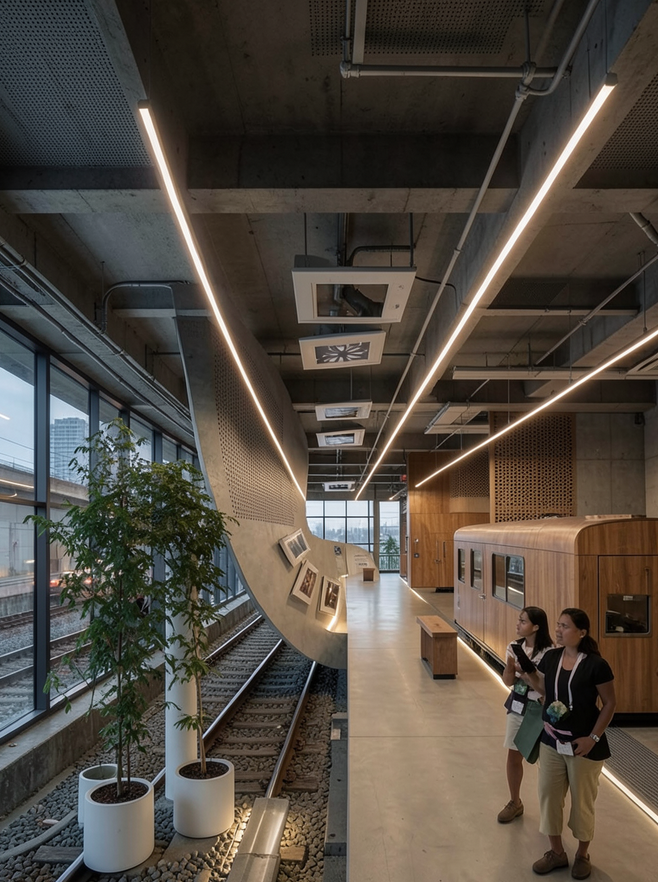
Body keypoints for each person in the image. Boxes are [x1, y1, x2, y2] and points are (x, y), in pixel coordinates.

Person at [528, 608, 616, 880]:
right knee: (548, 796)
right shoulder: (551, 658)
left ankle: (582, 854)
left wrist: (593, 738)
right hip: (552, 740)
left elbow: (609, 703)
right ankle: (556, 852)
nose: (558, 630)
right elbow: (544, 690)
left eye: (565, 626)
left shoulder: (596, 665)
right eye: (558, 625)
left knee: (582, 802)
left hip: (583, 747)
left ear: (582, 632)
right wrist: (526, 672)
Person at [498, 606, 553, 823]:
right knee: (513, 755)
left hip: (539, 709)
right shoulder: (514, 647)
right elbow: (507, 681)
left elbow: (545, 688)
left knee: (545, 760)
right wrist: (511, 668)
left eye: (523, 621)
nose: (518, 624)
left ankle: (550, 809)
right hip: (518, 704)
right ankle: (515, 801)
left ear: (536, 626)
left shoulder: (550, 652)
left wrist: (526, 672)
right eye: (519, 620)